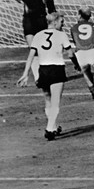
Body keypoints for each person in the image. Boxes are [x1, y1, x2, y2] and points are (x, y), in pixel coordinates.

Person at [16, 12, 74, 141]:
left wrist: (25, 74)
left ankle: (53, 127)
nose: (63, 24)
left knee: (48, 100)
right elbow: (70, 53)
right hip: (57, 69)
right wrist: (76, 64)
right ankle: (49, 129)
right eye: (61, 22)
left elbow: (31, 56)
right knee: (55, 101)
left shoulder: (38, 35)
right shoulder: (61, 35)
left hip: (43, 70)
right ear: (55, 22)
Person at [15, 0, 57, 82]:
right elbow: (22, 2)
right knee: (34, 49)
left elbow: (52, 8)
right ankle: (38, 78)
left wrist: (56, 21)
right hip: (30, 21)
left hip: (42, 20)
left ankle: (45, 73)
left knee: (45, 49)